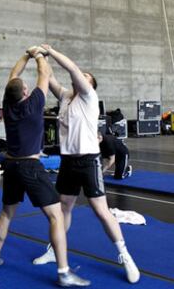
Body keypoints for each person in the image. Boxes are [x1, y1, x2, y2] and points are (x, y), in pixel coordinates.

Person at [32, 45, 140, 284]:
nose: (82, 78)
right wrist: (38, 57)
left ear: (89, 85)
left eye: (86, 77)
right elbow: (48, 77)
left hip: (89, 160)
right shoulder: (65, 98)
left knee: (101, 211)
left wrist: (50, 50)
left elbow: (71, 68)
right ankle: (53, 250)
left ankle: (125, 254)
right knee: (63, 209)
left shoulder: (89, 97)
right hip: (68, 161)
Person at [0, 48, 90, 287]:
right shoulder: (33, 103)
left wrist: (24, 56)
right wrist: (39, 54)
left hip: (10, 166)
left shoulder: (7, 103)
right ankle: (64, 272)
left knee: (6, 213)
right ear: (25, 91)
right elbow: (44, 74)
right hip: (29, 166)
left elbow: (14, 74)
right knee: (56, 216)